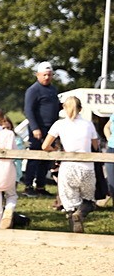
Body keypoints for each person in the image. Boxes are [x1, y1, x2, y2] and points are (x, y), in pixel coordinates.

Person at [42, 96, 100, 233]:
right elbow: (95, 146)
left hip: (68, 167)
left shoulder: (59, 124)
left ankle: (74, 229)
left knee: (70, 204)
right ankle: (80, 215)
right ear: (80, 109)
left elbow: (45, 145)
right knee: (88, 201)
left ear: (63, 108)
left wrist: (56, 150)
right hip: (86, 168)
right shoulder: (88, 124)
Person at [22, 61, 61, 196]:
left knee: (47, 158)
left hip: (51, 129)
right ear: (38, 75)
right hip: (38, 128)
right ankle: (28, 186)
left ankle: (40, 185)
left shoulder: (53, 89)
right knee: (34, 157)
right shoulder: (33, 90)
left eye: (49, 75)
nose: (47, 78)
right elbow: (28, 110)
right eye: (44, 75)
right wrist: (35, 128)